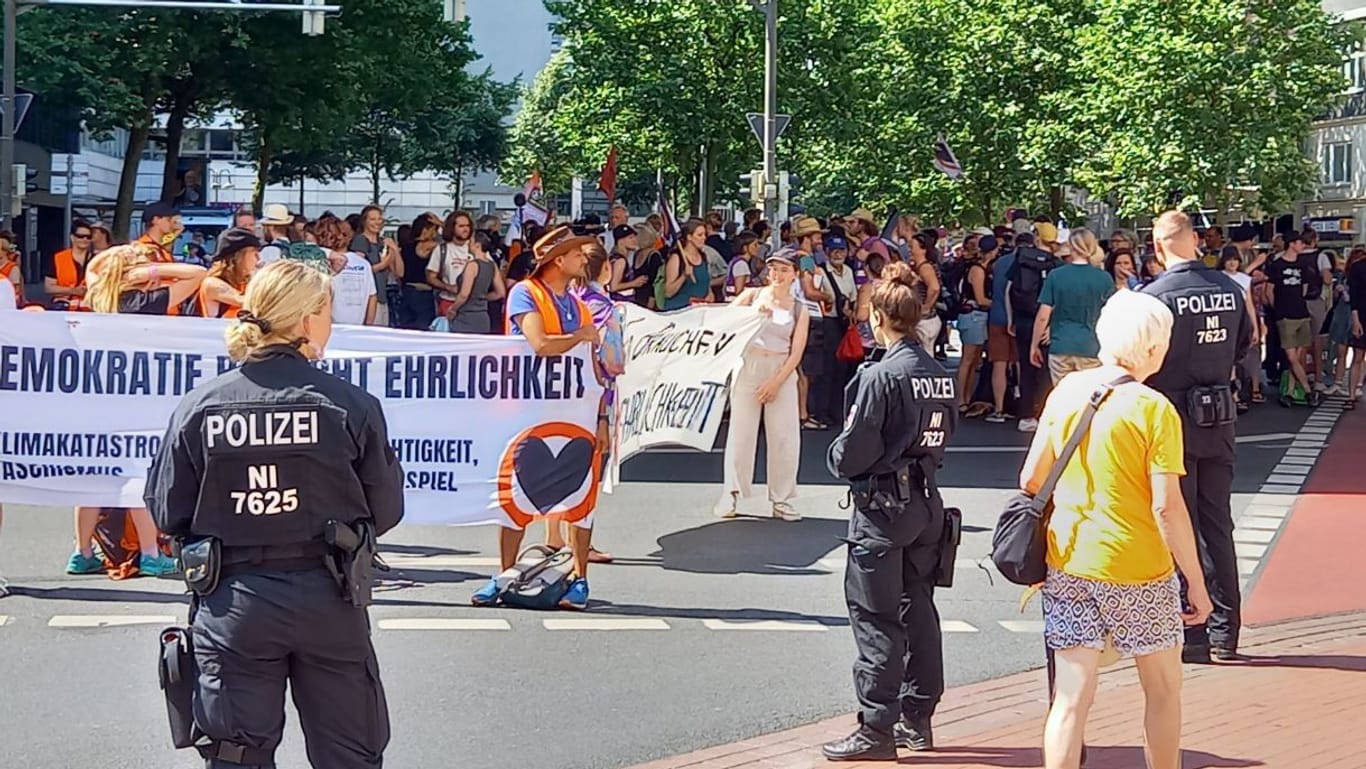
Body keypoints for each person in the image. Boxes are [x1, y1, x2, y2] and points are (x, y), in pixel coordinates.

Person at [144, 259, 403, 768]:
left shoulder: (201, 405)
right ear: (307, 321)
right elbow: (386, 508)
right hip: (329, 599)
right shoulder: (349, 404)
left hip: (234, 604)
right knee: (350, 754)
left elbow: (167, 509)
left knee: (237, 755)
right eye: (328, 310)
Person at [1024, 290, 1211, 769]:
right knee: (1164, 689)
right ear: (1152, 348)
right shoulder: (1154, 409)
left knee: (1070, 699)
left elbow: (1030, 479)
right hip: (1138, 567)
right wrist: (1195, 579)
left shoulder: (1066, 391)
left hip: (1069, 557)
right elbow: (1167, 506)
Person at [821, 262, 958, 762]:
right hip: (926, 501)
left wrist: (837, 455)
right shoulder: (938, 375)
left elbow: (851, 452)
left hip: (882, 507)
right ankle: (917, 717)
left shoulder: (881, 375)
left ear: (880, 317)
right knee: (918, 608)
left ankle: (876, 728)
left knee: (876, 617)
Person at [473, 225, 603, 611]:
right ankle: (507, 575)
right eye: (577, 253)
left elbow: (595, 370)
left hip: (571, 409)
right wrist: (581, 336)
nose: (584, 258)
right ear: (557, 260)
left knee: (582, 496)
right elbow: (541, 344)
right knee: (515, 497)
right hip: (526, 408)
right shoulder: (525, 293)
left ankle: (579, 580)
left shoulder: (577, 303)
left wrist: (604, 417)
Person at [1140, 211, 1251, 664]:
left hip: (1170, 418)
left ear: (1157, 244)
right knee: (1216, 524)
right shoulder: (1230, 289)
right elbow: (1243, 346)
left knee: (1173, 524)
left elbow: (1145, 359)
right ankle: (1226, 630)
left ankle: (1192, 629)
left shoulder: (1156, 297)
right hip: (1218, 415)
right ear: (1195, 240)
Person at [715, 248, 809, 521]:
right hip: (749, 364)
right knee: (741, 435)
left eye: (783, 270)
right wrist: (753, 316)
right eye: (773, 269)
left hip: (781, 368)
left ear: (794, 274)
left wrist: (777, 381)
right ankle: (730, 493)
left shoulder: (799, 308)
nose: (777, 275)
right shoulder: (752, 296)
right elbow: (723, 324)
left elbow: (797, 350)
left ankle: (781, 499)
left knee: (784, 437)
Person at [1030, 229, 1115, 384]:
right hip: (1092, 346)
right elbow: (1111, 315)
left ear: (1071, 246)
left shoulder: (1056, 275)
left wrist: (1034, 345)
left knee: (1062, 397)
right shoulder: (1104, 278)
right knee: (1089, 398)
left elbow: (1043, 316)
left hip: (1061, 345)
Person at [1263, 232, 1319, 407]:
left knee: (1299, 356)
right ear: (1292, 244)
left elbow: (1304, 288)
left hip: (1301, 312)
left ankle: (1289, 391)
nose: (1303, 246)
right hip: (1285, 315)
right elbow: (1269, 290)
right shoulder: (1277, 265)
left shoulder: (1303, 265)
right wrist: (1278, 309)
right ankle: (1307, 391)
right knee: (1292, 356)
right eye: (1300, 243)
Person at [442, 231, 506, 334]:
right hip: (483, 317)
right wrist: (482, 297)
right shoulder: (492, 265)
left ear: (477, 245)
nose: (467, 243)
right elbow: (500, 293)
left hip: (466, 316)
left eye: (470, 241)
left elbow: (464, 294)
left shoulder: (472, 265)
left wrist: (453, 309)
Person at [197, 228, 260, 319]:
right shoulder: (212, 284)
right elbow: (246, 301)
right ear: (238, 257)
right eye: (254, 253)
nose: (258, 258)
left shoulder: (244, 282)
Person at [661, 218, 713, 310]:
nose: (704, 238)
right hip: (679, 311)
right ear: (689, 237)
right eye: (699, 235)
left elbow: (705, 283)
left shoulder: (703, 256)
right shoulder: (677, 258)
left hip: (698, 310)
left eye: (705, 234)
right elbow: (668, 292)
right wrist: (684, 276)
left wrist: (710, 294)